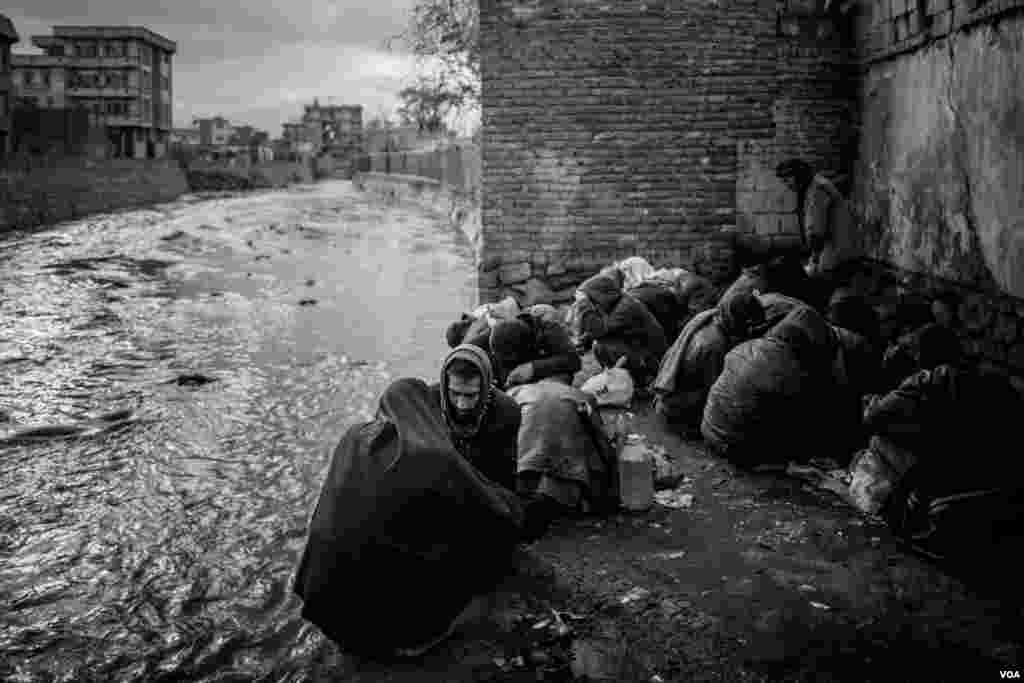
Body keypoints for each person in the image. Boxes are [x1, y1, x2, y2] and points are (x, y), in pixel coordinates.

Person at [293, 372, 525, 659]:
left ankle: (357, 632)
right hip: (393, 615)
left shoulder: (354, 437)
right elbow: (486, 507)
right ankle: (412, 635)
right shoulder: (433, 455)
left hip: (324, 595)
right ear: (425, 413)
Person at [652, 290, 767, 436]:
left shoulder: (710, 317)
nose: (750, 331)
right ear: (738, 320)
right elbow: (715, 391)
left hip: (669, 397)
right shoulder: (714, 345)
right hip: (676, 409)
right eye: (748, 325)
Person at [429, 344, 523, 490]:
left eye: (470, 395)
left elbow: (505, 475)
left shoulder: (507, 411)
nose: (461, 405)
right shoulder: (428, 403)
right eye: (454, 393)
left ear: (485, 387)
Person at [775, 158, 864, 303]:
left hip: (836, 256)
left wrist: (813, 262)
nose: (787, 185)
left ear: (798, 175)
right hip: (841, 253)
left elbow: (817, 231)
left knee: (824, 298)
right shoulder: (817, 185)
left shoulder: (816, 190)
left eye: (788, 180)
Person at [570, 272, 669, 387]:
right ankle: (625, 379)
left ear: (603, 296)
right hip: (640, 351)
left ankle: (642, 380)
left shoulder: (626, 306)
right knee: (601, 345)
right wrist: (585, 341)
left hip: (653, 359)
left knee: (602, 346)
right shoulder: (613, 305)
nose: (592, 304)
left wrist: (583, 304)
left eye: (592, 299)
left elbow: (600, 331)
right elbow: (609, 329)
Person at [463, 309, 581, 389]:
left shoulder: (549, 330)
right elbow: (464, 352)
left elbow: (573, 360)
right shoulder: (498, 331)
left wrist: (533, 368)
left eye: (508, 358)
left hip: (545, 384)